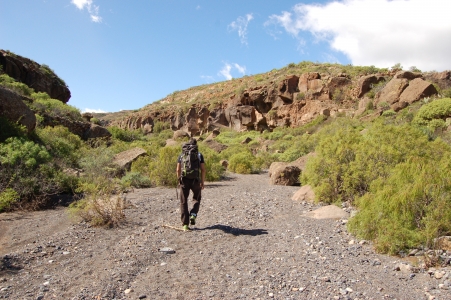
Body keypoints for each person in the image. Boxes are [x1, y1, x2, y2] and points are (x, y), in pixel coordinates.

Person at [176, 138, 206, 231]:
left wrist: (179, 180)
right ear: (196, 145)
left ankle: (185, 224)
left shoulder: (182, 155)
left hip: (184, 180)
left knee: (183, 201)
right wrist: (202, 181)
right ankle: (193, 214)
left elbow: (178, 169)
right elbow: (203, 169)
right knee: (197, 198)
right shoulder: (199, 154)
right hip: (195, 180)